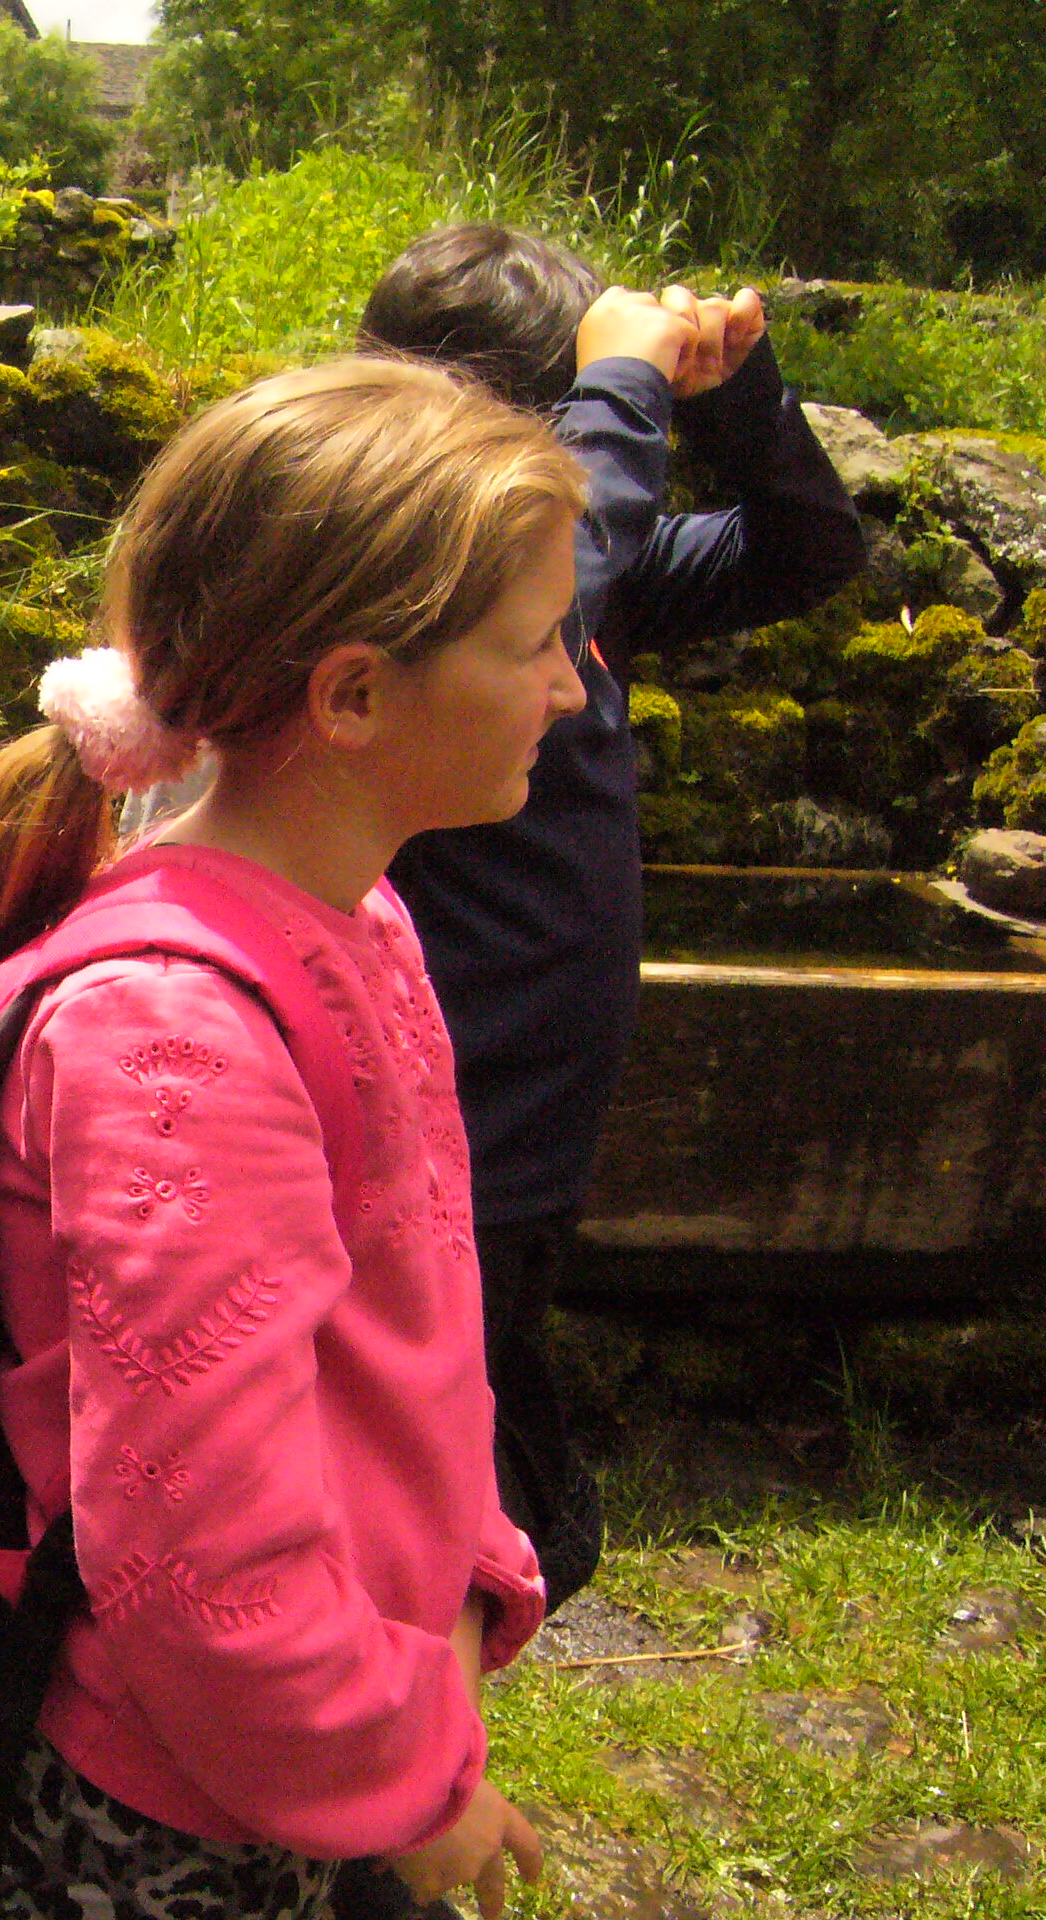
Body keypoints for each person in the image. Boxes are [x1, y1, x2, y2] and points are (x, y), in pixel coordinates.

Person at [0, 359, 585, 1919]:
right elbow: (195, 1553)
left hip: (323, 1723)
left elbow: (412, 1334)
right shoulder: (178, 1040)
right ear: (353, 697)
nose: (571, 686)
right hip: (187, 1806)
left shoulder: (359, 920)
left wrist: (457, 1587)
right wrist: (402, 1775)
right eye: (535, 643)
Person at [360, 228, 865, 1624]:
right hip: (429, 1140)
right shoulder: (412, 589)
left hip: (526, 1144)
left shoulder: (589, 581)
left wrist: (737, 401)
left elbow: (810, 551)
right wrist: (625, 395)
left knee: (470, 1479)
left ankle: (412, 1696)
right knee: (428, 1500)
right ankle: (377, 1716)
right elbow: (522, 572)